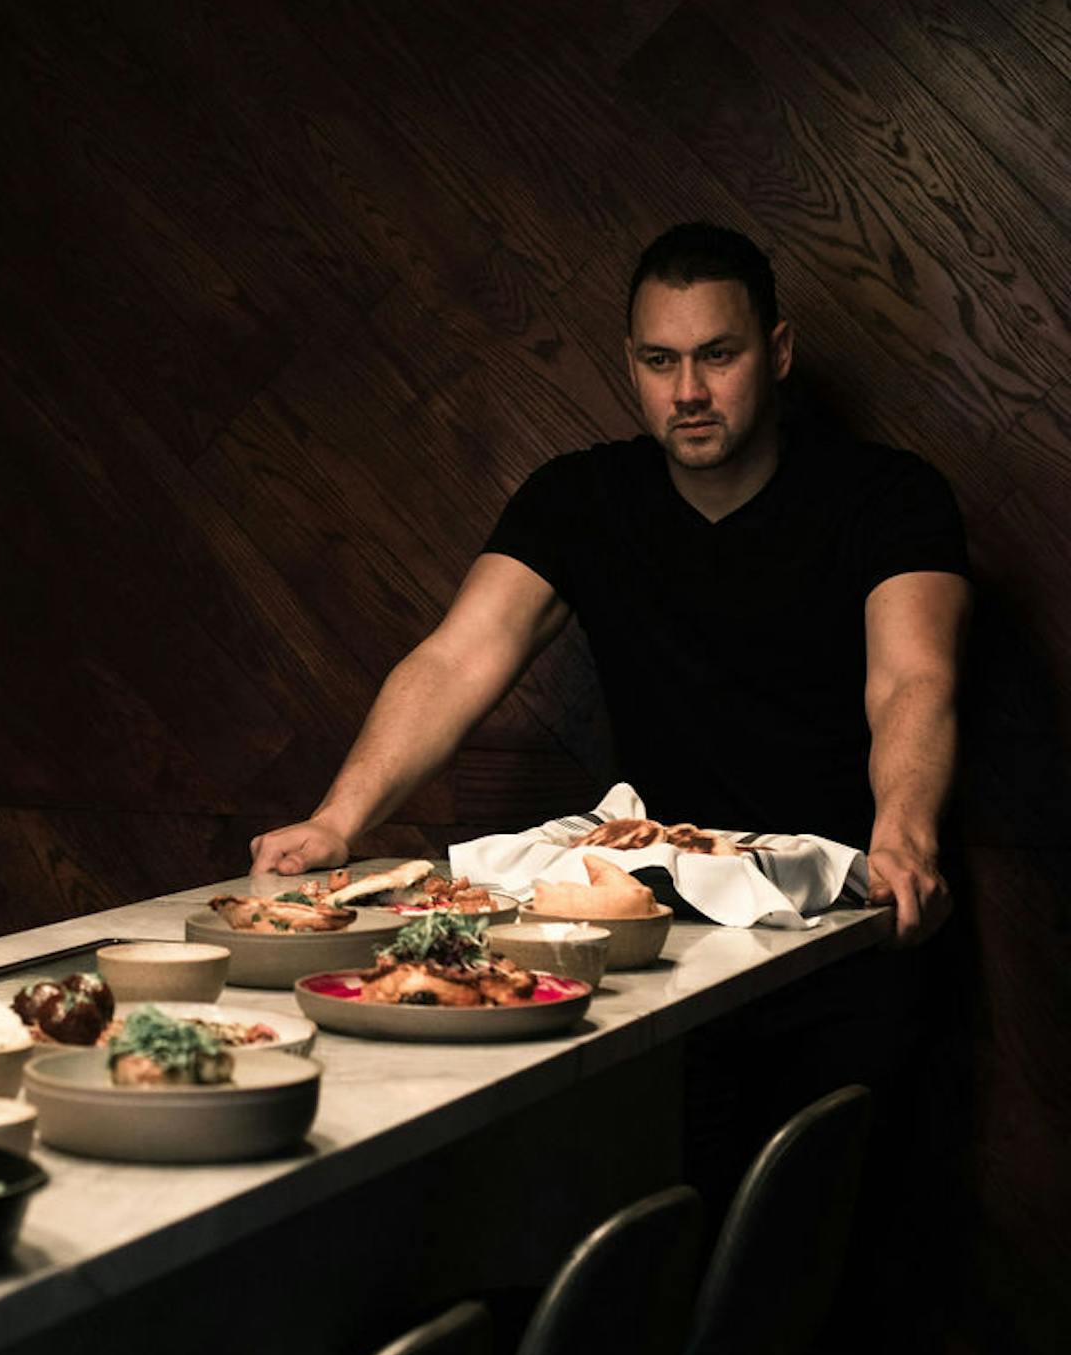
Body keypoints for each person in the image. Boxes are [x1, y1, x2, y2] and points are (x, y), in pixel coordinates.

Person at [250, 220, 969, 944]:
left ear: (777, 352)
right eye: (661, 361)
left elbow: (913, 678)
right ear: (630, 363)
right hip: (657, 921)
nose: (688, 391)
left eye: (717, 356)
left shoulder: (889, 498)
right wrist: (336, 821)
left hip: (846, 909)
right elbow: (456, 659)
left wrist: (904, 838)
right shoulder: (579, 498)